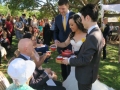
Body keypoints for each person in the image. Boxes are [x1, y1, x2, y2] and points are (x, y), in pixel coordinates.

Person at [62, 4, 103, 90]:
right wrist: (75, 53)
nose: (81, 22)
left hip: (85, 76)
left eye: (82, 19)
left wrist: (68, 61)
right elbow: (88, 50)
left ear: (87, 18)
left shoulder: (93, 35)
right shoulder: (95, 31)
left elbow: (85, 60)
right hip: (88, 74)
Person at [54, 0, 75, 81]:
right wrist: (56, 40)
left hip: (72, 45)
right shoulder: (57, 18)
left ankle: (71, 81)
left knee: (70, 66)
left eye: (63, 9)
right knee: (63, 66)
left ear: (68, 6)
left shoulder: (75, 15)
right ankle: (65, 81)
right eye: (59, 9)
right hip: (61, 46)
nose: (61, 11)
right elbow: (56, 31)